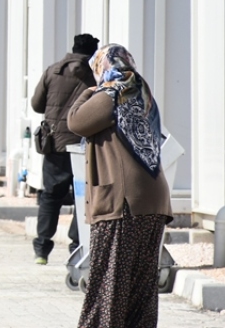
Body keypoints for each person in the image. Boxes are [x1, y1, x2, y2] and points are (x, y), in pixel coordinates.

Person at [67, 43, 173, 328]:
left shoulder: (110, 93)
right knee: (140, 290)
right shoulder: (139, 89)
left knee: (108, 287)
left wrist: (90, 91)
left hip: (123, 204)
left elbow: (76, 121)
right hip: (153, 200)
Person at [30, 32, 99, 264]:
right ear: (92, 53)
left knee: (50, 196)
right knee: (83, 196)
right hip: (83, 146)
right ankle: (75, 247)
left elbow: (37, 104)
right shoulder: (95, 76)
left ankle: (41, 250)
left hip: (54, 144)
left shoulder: (53, 70)